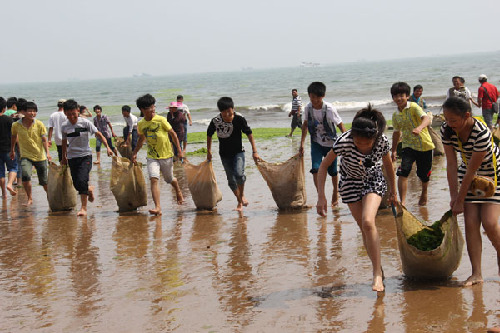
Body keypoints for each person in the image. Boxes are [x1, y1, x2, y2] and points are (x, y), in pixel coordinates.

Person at [316, 104, 397, 292]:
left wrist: (393, 192)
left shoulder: (381, 141)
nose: (361, 147)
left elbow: (389, 166)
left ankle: (376, 274)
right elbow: (323, 167)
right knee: (364, 228)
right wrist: (321, 196)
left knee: (368, 222)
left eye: (365, 144)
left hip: (373, 179)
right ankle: (379, 268)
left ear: (374, 138)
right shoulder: (343, 142)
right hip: (350, 182)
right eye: (358, 143)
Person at [440, 96, 500, 286]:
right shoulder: (446, 130)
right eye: (446, 119)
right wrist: (453, 196)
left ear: (467, 115)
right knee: (471, 222)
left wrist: (460, 200)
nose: (449, 124)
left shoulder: (481, 133)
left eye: (453, 120)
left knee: (490, 223)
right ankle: (477, 274)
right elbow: (451, 164)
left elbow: (474, 168)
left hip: (492, 175)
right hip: (469, 176)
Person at [131, 94, 184, 215]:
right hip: (152, 156)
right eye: (149, 107)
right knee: (153, 178)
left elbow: (173, 134)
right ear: (142, 110)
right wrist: (135, 153)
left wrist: (179, 151)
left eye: (153, 105)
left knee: (169, 179)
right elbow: (141, 139)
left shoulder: (161, 120)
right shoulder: (142, 123)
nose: (153, 108)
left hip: (166, 155)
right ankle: (158, 207)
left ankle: (178, 190)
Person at [61, 99, 113, 216]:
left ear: (78, 111)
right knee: (76, 184)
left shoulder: (85, 123)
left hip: (85, 156)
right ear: (65, 113)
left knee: (82, 179)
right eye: (68, 114)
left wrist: (108, 147)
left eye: (73, 114)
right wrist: (64, 156)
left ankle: (83, 208)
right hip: (72, 157)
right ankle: (88, 189)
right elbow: (64, 142)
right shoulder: (64, 126)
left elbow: (98, 134)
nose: (71, 117)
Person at [207, 97, 260, 211]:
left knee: (239, 175)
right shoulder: (216, 121)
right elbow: (209, 134)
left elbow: (249, 133)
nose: (227, 115)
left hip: (238, 152)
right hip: (224, 154)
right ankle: (240, 200)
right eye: (224, 112)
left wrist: (254, 151)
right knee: (231, 181)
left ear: (233, 109)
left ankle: (241, 198)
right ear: (220, 111)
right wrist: (209, 151)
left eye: (229, 112)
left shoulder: (239, 118)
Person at [299, 81, 346, 206]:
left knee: (333, 172)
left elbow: (340, 125)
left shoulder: (329, 109)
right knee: (316, 169)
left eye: (317, 97)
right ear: (309, 96)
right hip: (316, 142)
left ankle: (335, 191)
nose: (315, 100)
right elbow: (305, 126)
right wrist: (302, 143)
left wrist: (346, 141)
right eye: (312, 97)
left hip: (331, 144)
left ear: (323, 96)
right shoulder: (308, 108)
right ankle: (321, 195)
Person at [391, 81, 434, 206]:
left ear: (407, 96)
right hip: (408, 146)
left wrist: (420, 128)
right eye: (395, 96)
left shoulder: (414, 107)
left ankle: (424, 192)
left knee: (423, 174)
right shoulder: (395, 115)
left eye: (401, 95)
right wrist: (393, 150)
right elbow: (396, 133)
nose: (398, 99)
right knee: (403, 171)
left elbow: (426, 118)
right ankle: (403, 203)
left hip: (424, 145)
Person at [10, 101, 51, 206]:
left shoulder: (39, 124)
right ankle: (30, 198)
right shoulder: (16, 125)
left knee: (44, 181)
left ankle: (50, 197)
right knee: (25, 175)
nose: (32, 113)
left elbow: (44, 140)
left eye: (34, 111)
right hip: (25, 156)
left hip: (40, 156)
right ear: (24, 112)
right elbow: (14, 137)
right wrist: (12, 150)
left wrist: (48, 153)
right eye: (30, 111)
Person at [0, 97, 17, 198]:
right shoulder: (9, 120)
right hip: (8, 148)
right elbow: (14, 135)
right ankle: (10, 184)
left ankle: (4, 194)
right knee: (13, 168)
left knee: (0, 173)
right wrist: (13, 149)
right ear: (4, 108)